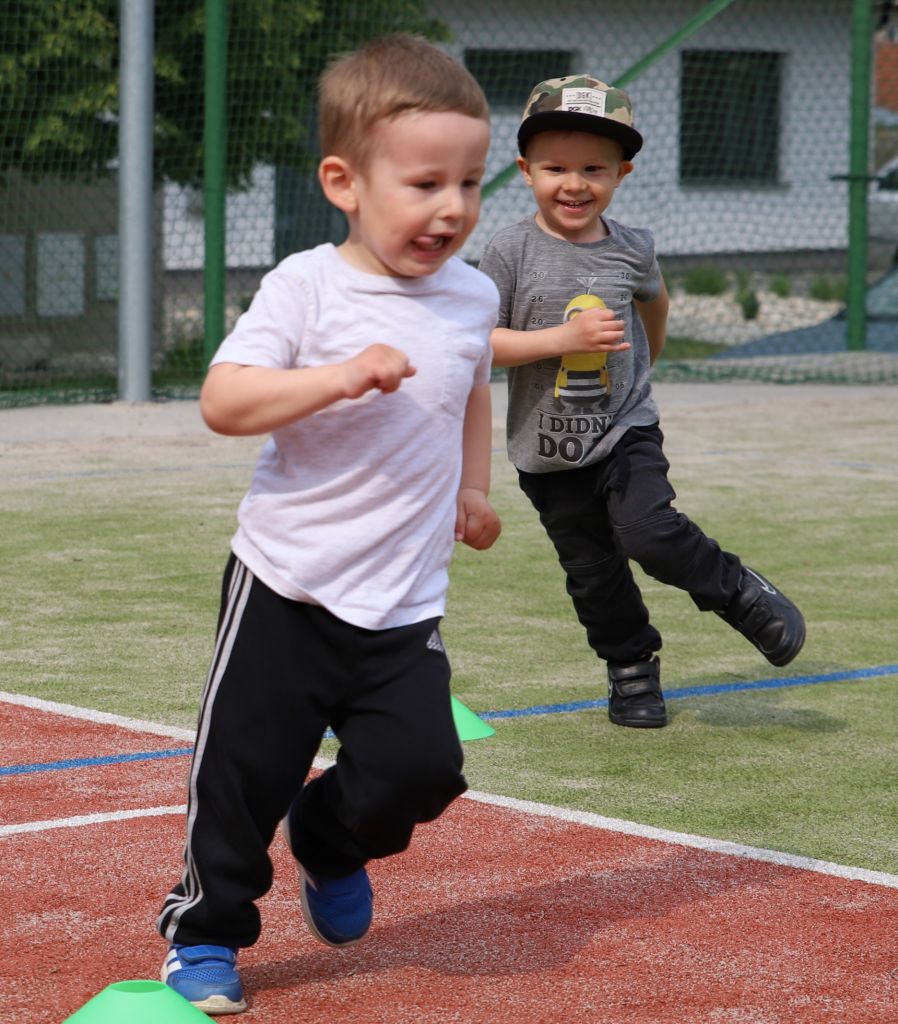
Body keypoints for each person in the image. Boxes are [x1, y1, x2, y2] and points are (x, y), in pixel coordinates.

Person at [157, 34, 500, 1015]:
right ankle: (207, 932)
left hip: (403, 600)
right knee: (241, 777)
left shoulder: (473, 294)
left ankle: (329, 838)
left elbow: (471, 385)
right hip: (287, 584)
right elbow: (225, 401)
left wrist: (475, 488)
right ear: (345, 182)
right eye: (425, 183)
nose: (451, 208)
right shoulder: (306, 287)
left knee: (422, 770)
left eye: (470, 183)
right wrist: (340, 376)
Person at [478, 75, 804, 730]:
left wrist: (644, 364)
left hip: (624, 429)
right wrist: (562, 340)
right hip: (546, 451)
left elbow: (653, 302)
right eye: (556, 168)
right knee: (593, 574)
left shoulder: (632, 247)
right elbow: (479, 345)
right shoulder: (509, 250)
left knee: (649, 533)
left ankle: (739, 592)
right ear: (525, 170)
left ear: (621, 173)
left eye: (594, 169)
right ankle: (630, 668)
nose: (575, 184)